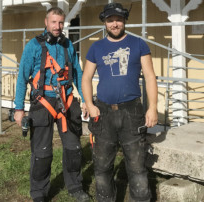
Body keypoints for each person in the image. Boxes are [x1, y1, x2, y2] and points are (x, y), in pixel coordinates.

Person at [82, 2, 158, 202]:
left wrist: (152, 108)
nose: (114, 24)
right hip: (103, 113)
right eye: (110, 20)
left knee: (137, 167)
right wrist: (90, 105)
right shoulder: (96, 47)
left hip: (132, 112)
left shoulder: (139, 44)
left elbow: (150, 77)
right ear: (105, 22)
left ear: (124, 20)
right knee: (102, 167)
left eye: (118, 19)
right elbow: (86, 78)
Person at [14, 7, 90, 202]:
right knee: (42, 152)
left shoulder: (68, 45)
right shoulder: (33, 45)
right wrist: (19, 108)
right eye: (54, 22)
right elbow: (22, 77)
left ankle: (74, 186)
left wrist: (85, 100)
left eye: (61, 22)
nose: (58, 26)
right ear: (46, 22)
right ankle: (39, 193)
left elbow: (78, 74)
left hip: (67, 100)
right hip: (43, 102)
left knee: (74, 149)